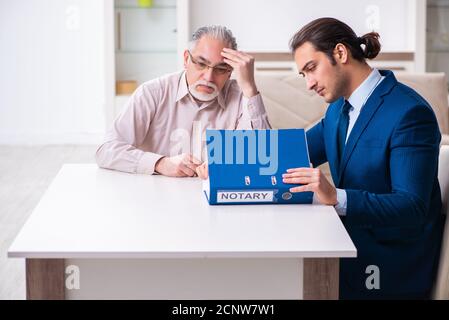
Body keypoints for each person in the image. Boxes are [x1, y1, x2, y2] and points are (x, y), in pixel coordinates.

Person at [282, 17, 445, 299]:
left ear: (341, 53)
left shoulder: (409, 113)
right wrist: (224, 161)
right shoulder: (337, 110)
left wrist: (336, 197)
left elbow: (412, 206)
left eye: (311, 69)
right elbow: (293, 151)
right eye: (303, 75)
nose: (309, 84)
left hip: (388, 263)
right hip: (348, 243)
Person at [96, 25, 271, 177]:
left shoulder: (242, 96)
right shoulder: (153, 93)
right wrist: (160, 163)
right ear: (186, 59)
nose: (208, 77)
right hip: (158, 199)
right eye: (201, 64)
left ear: (230, 71)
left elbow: (265, 155)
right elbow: (107, 150)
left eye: (220, 69)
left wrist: (250, 88)